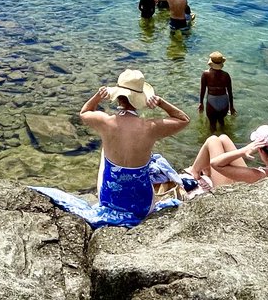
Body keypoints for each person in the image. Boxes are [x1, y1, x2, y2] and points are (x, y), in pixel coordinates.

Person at [31, 70, 190, 228]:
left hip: (109, 200)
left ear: (118, 97)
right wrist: (161, 102)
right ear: (140, 98)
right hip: (143, 206)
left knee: (105, 150)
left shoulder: (105, 122)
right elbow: (183, 119)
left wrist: (98, 96)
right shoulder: (150, 127)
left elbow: (84, 112)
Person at [184, 125, 268, 188]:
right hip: (246, 179)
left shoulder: (259, 175)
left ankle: (195, 171)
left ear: (260, 150)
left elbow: (216, 163)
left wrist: (243, 151)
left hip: (228, 191)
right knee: (223, 138)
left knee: (213, 140)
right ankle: (204, 170)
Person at [198, 52, 235, 132]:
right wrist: (231, 106)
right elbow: (230, 92)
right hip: (224, 100)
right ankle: (225, 139)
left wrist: (201, 103)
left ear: (211, 63)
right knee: (222, 122)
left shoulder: (205, 74)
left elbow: (203, 90)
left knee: (212, 124)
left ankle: (212, 140)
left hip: (212, 101)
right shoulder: (226, 75)